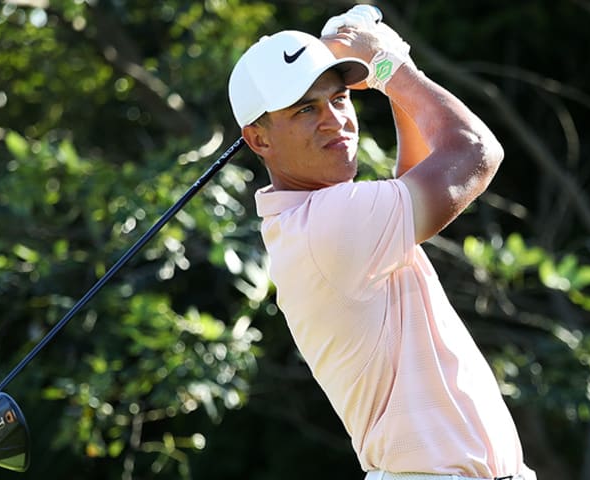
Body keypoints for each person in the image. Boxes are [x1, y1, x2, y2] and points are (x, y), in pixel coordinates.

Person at [228, 5, 536, 480]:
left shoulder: (312, 221)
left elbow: (421, 172)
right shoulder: (328, 224)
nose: (335, 120)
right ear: (259, 140)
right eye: (306, 109)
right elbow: (475, 152)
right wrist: (392, 67)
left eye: (339, 99)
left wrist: (388, 69)